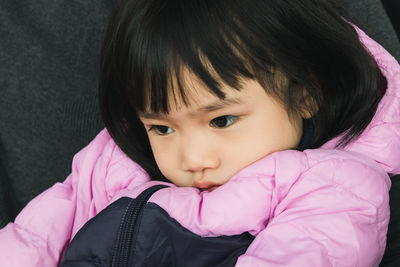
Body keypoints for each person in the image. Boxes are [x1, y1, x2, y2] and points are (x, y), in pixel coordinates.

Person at [1, 0, 399, 265]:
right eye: (161, 127)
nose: (192, 159)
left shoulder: (334, 188)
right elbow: (31, 241)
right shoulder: (108, 165)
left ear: (307, 95)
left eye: (222, 120)